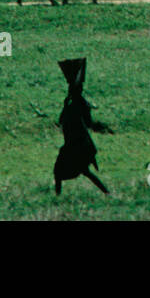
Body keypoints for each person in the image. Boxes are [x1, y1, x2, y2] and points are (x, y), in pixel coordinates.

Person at [54, 57, 109, 195]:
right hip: (75, 143)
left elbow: (84, 122)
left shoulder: (79, 104)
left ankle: (106, 192)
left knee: (61, 172)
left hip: (77, 143)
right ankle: (106, 193)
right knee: (79, 172)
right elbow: (63, 121)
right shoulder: (73, 103)